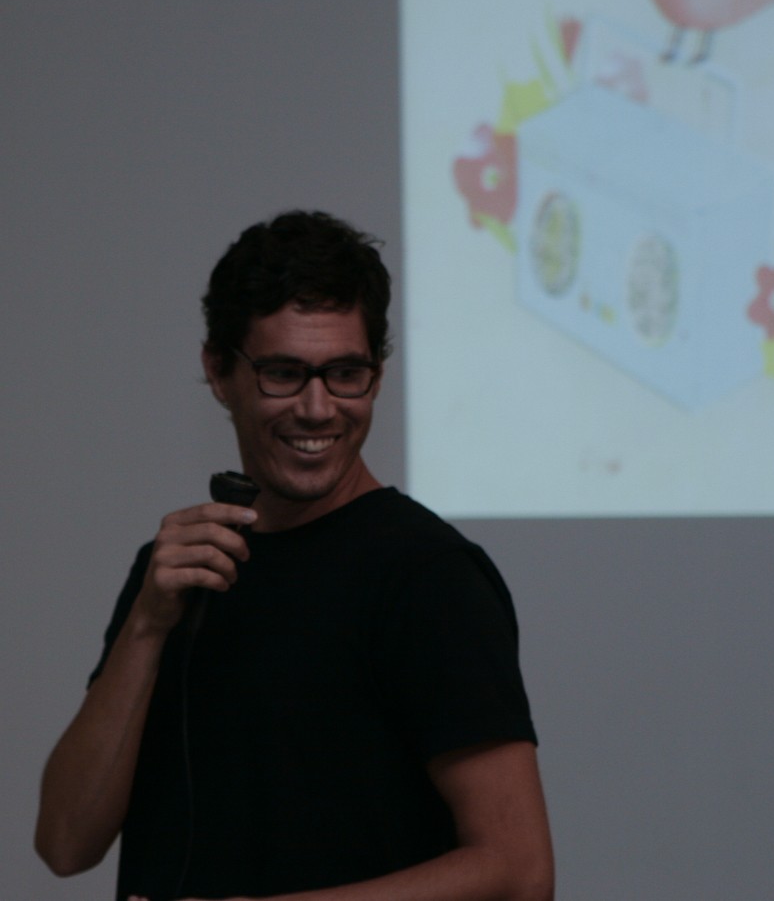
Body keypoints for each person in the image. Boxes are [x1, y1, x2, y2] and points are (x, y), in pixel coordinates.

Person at [34, 211, 554, 901]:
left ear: (377, 374)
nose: (317, 408)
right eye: (283, 373)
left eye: (345, 373)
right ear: (218, 370)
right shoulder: (177, 569)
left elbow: (520, 871)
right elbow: (65, 843)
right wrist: (146, 625)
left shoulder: (426, 575)